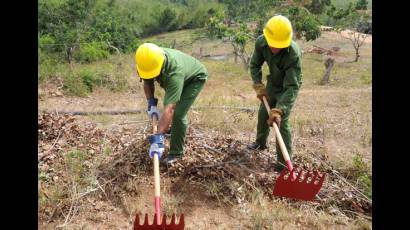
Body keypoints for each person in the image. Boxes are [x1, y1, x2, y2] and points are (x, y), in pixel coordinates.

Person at [135, 43, 208, 165]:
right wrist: (151, 103)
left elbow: (170, 109)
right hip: (182, 73)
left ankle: (176, 153)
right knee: (171, 111)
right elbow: (147, 82)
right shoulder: (148, 59)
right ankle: (172, 129)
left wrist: (158, 138)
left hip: (194, 78)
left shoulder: (174, 73)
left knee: (178, 113)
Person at [247, 15, 302, 172]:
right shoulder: (261, 42)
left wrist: (280, 110)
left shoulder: (293, 53)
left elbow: (292, 85)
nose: (274, 49)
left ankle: (283, 164)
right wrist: (258, 84)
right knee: (263, 113)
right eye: (272, 44)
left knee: (280, 122)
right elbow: (255, 65)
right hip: (272, 83)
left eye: (279, 46)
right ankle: (260, 143)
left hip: (288, 86)